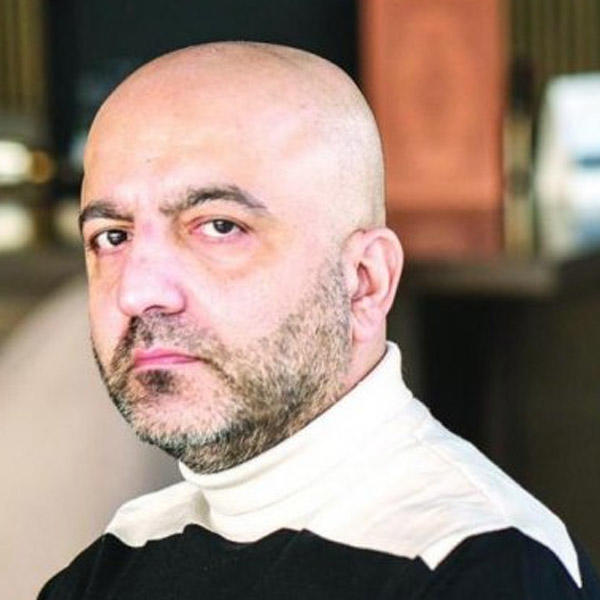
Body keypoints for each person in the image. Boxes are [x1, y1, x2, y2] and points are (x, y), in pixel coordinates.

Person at [38, 42, 600, 599]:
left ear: (363, 281)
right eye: (112, 237)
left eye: (219, 227)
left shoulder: (479, 568)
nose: (137, 292)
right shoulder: (117, 561)